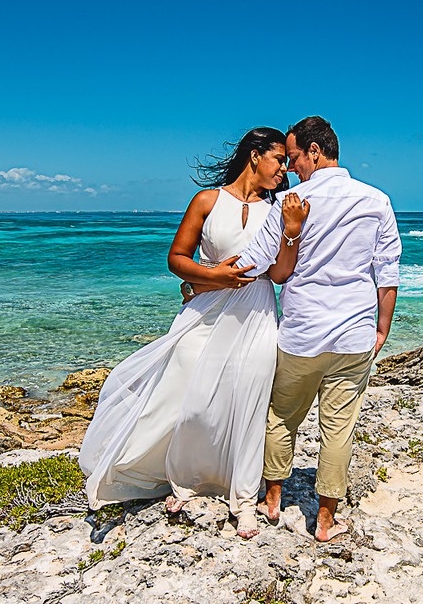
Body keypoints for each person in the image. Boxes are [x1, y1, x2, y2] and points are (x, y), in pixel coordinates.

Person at [79, 127, 293, 538]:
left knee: (247, 399)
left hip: (257, 310)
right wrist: (213, 278)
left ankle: (243, 497)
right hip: (205, 309)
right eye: (279, 160)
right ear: (255, 156)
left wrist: (291, 230)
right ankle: (187, 477)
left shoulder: (280, 209)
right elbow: (177, 258)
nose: (285, 169)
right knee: (187, 394)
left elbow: (281, 273)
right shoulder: (207, 201)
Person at [236, 116, 401, 542]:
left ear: (314, 150)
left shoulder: (289, 201)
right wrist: (381, 329)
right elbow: (387, 271)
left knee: (281, 416)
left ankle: (273, 500)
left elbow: (255, 263)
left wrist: (203, 279)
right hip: (354, 333)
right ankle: (325, 521)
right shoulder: (377, 200)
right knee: (339, 428)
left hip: (302, 332)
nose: (290, 167)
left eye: (293, 157)